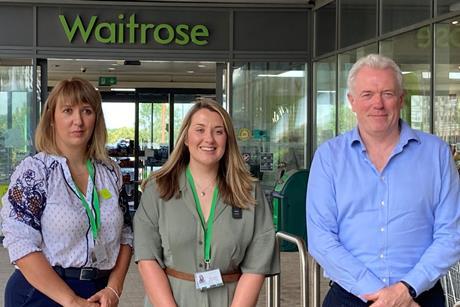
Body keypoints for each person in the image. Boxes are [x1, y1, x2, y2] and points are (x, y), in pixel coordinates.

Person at [306, 54, 460, 307]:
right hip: (349, 298)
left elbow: (451, 234)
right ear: (351, 101)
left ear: (401, 99)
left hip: (420, 298)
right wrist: (380, 294)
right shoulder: (329, 157)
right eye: (367, 94)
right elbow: (321, 238)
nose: (378, 103)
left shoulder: (437, 154)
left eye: (387, 93)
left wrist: (406, 290)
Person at [1, 77, 133, 307]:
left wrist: (114, 288)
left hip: (98, 292)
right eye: (68, 111)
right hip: (42, 293)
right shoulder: (35, 173)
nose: (78, 121)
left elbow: (126, 234)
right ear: (52, 118)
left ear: (97, 119)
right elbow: (20, 242)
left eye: (87, 111)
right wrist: (71, 301)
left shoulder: (110, 171)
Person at [134, 99, 279, 307]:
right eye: (199, 130)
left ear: (227, 139)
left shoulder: (249, 193)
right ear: (186, 137)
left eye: (218, 132)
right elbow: (147, 260)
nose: (209, 139)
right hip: (169, 300)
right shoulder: (157, 189)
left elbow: (256, 267)